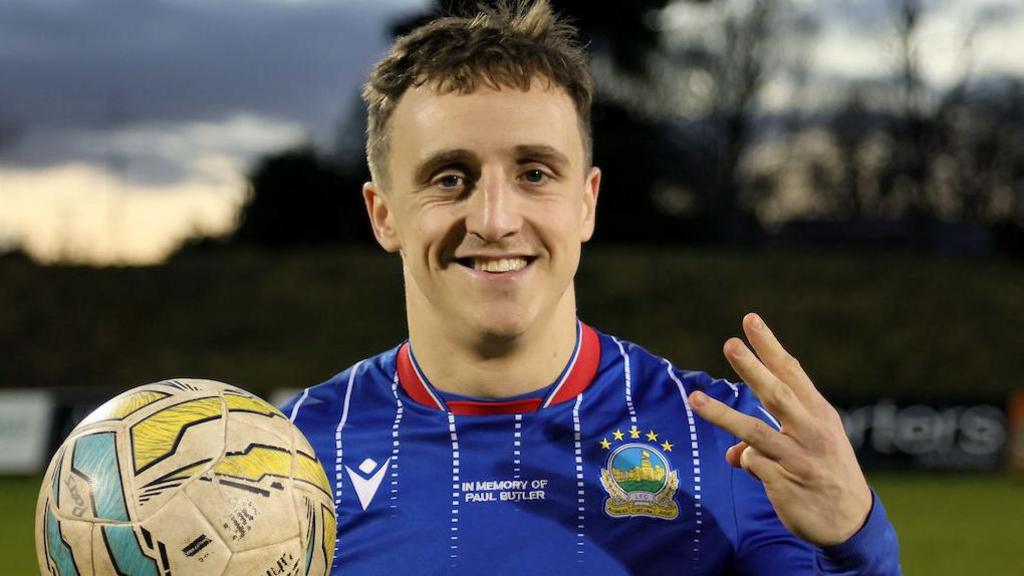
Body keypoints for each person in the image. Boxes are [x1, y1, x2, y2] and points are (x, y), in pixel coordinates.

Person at [281, 1, 901, 573]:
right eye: (449, 178)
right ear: (384, 213)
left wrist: (856, 537)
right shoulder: (286, 455)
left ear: (586, 202)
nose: (495, 219)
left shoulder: (727, 441)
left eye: (534, 173)